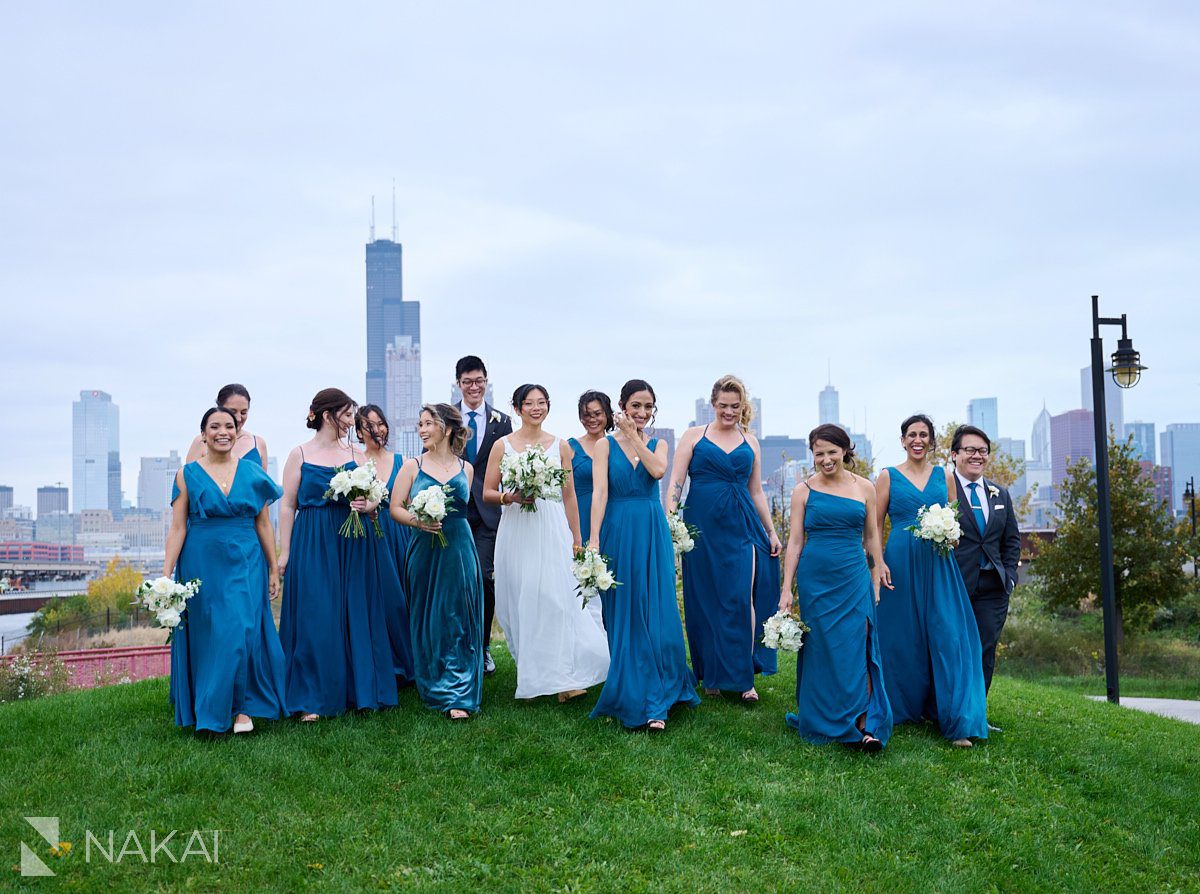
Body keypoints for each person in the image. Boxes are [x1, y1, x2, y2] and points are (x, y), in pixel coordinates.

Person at [483, 384, 609, 702]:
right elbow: (487, 492)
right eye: (529, 403)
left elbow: (568, 494)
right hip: (517, 528)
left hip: (551, 526)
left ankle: (565, 680)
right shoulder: (503, 445)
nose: (536, 408)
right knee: (524, 598)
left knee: (556, 596)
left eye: (541, 403)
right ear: (517, 408)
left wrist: (577, 537)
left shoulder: (560, 446)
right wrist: (510, 496)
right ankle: (534, 672)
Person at [277, 388, 397, 721]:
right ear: (328, 415)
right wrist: (285, 551)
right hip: (312, 540)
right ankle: (312, 697)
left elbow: (377, 498)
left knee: (354, 610)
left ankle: (358, 691)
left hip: (353, 539)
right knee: (317, 613)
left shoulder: (358, 455)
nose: (350, 422)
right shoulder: (298, 454)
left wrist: (368, 504)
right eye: (346, 415)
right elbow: (287, 505)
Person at [164, 406, 285, 734]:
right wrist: (166, 576)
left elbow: (263, 523)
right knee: (210, 633)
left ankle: (242, 708)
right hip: (201, 561)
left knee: (240, 629)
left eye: (229, 426)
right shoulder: (186, 474)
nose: (223, 432)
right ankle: (210, 710)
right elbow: (177, 528)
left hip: (246, 559)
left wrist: (274, 568)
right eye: (214, 426)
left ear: (237, 431)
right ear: (203, 434)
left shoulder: (253, 472)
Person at [587, 379, 700, 731]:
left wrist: (635, 435)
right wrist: (593, 540)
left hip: (652, 531)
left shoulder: (659, 443)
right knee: (624, 611)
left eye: (648, 407)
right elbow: (600, 494)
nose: (642, 412)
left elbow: (658, 471)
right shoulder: (603, 447)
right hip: (618, 530)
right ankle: (632, 689)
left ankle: (661, 691)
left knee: (658, 608)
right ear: (622, 405)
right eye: (635, 405)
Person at [667, 374, 782, 702]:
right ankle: (712, 676)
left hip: (742, 525)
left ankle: (744, 678)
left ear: (742, 407)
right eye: (722, 406)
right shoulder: (693, 436)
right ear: (712, 405)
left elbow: (756, 490)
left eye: (735, 406)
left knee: (739, 597)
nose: (728, 412)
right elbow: (676, 483)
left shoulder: (751, 441)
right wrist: (672, 521)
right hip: (701, 525)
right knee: (704, 598)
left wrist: (771, 531)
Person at [875, 414, 988, 747]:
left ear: (932, 441)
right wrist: (878, 564)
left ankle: (956, 718)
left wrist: (950, 534)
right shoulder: (887, 476)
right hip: (899, 561)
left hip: (939, 563)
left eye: (924, 435)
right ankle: (902, 706)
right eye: (911, 434)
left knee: (948, 635)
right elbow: (875, 526)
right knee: (901, 637)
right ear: (903, 440)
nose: (917, 440)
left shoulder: (945, 476)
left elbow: (954, 521)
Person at [779, 424, 891, 750]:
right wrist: (787, 589)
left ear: (845, 451)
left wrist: (875, 575)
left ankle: (863, 723)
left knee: (858, 645)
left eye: (831, 452)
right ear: (812, 456)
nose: (826, 460)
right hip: (816, 580)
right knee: (823, 648)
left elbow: (871, 537)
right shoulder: (802, 491)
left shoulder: (866, 487)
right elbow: (795, 542)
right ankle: (825, 718)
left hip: (854, 575)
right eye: (819, 454)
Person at [390, 404, 485, 720]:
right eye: (419, 424)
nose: (422, 429)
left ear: (446, 428)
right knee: (429, 614)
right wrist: (419, 521)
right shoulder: (412, 466)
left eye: (428, 423)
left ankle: (460, 689)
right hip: (424, 547)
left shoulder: (466, 469)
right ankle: (433, 681)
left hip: (459, 546)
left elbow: (461, 507)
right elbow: (396, 508)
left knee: (459, 612)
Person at [950, 425, 1020, 701]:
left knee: (985, 650)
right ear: (955, 454)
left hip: (993, 587)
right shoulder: (943, 491)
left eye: (982, 451)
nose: (977, 456)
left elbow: (1012, 540)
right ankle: (946, 711)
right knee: (953, 648)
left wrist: (1010, 576)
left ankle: (977, 712)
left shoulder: (999, 494)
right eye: (970, 450)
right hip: (956, 583)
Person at [455, 356, 513, 675]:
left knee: (484, 578)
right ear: (459, 384)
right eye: (467, 382)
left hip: (489, 512)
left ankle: (484, 646)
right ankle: (461, 644)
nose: (474, 387)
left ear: (486, 381)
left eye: (479, 381)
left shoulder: (501, 421)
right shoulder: (447, 416)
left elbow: (506, 462)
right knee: (458, 579)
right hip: (456, 510)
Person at [356, 404, 415, 686]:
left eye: (380, 423)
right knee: (376, 600)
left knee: (402, 600)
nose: (377, 429)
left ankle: (408, 662)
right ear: (358, 432)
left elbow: (411, 502)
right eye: (369, 425)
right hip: (368, 538)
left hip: (399, 535)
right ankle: (383, 664)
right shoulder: (355, 462)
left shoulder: (403, 461)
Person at [568, 390, 614, 545]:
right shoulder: (571, 447)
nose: (592, 419)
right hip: (581, 517)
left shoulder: (618, 447)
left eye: (597, 414)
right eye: (587, 415)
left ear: (607, 414)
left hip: (613, 515)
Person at [185, 384, 269, 470]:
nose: (238, 418)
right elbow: (188, 479)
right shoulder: (201, 441)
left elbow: (264, 482)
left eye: (243, 413)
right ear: (219, 408)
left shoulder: (258, 443)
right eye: (232, 412)